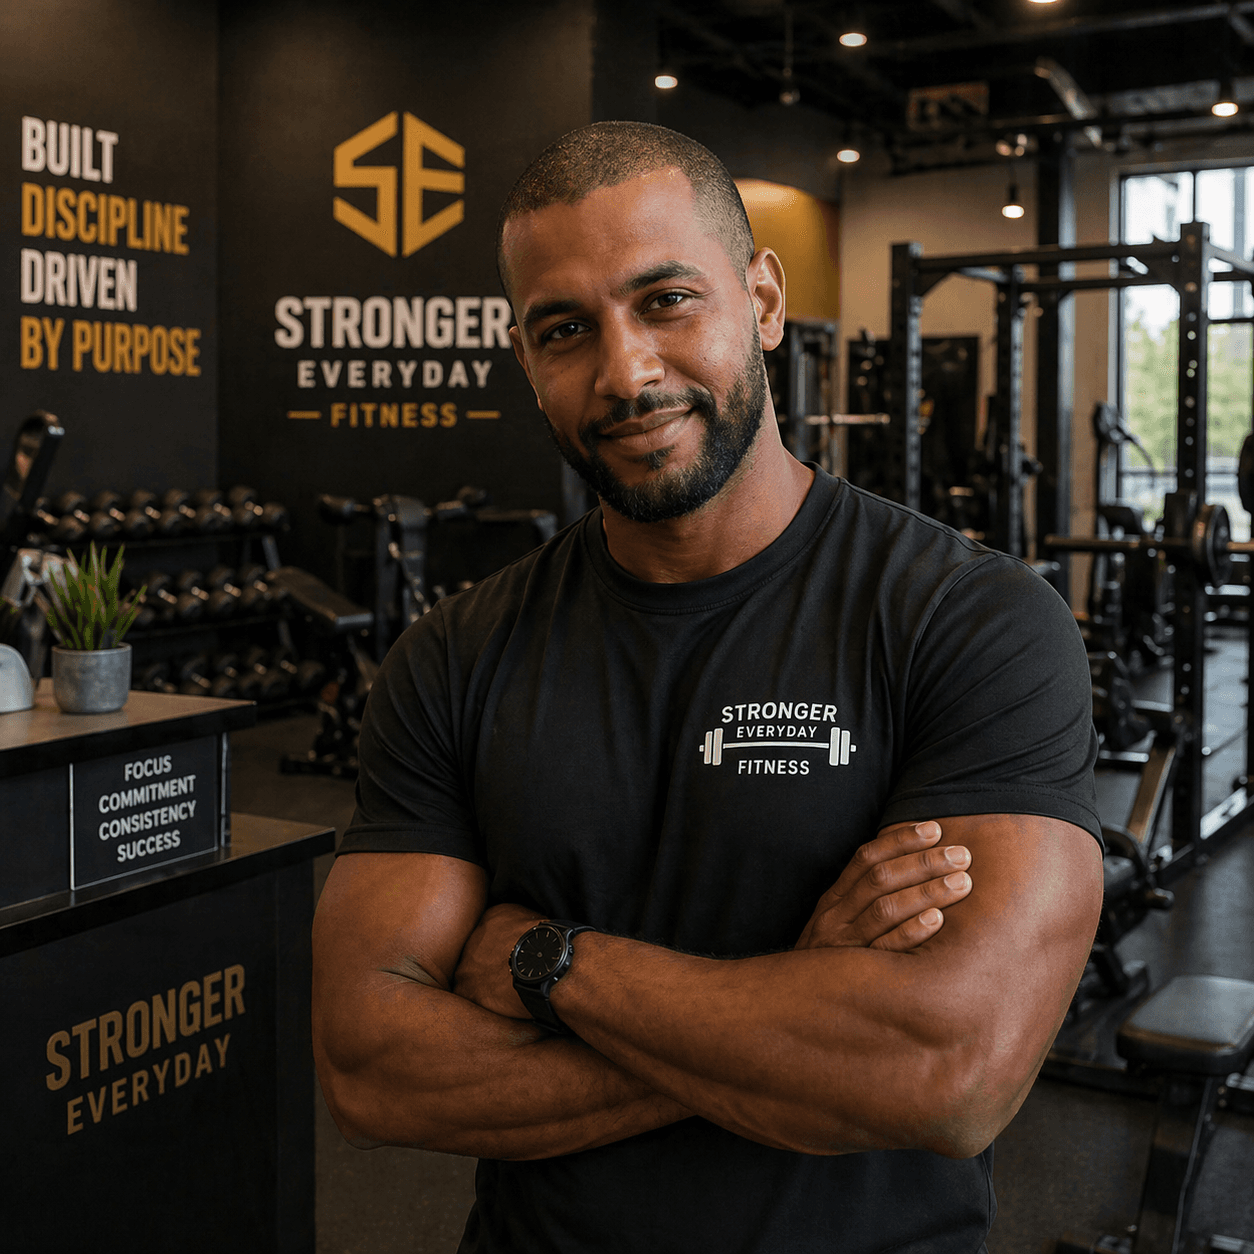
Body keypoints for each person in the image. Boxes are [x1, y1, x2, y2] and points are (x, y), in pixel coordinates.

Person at [312, 121, 1104, 1254]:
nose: (626, 371)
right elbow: (370, 1067)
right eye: (565, 330)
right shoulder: (455, 654)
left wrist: (549, 962)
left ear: (763, 299)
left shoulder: (970, 620)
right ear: (528, 361)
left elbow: (947, 1069)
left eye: (667, 300)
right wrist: (801, 1008)